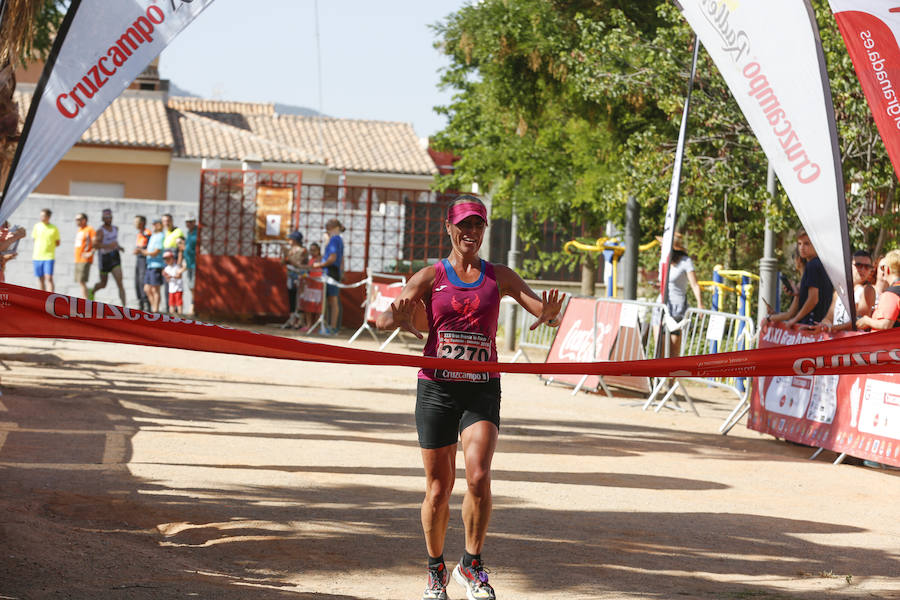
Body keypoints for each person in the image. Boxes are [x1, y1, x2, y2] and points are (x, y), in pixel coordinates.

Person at [375, 194, 564, 600]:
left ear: (484, 230)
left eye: (478, 225)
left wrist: (548, 315)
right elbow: (384, 316)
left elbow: (540, 310)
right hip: (437, 388)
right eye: (464, 225)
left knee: (478, 477)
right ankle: (435, 570)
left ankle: (472, 566)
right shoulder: (432, 275)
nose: (471, 233)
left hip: (480, 388)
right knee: (439, 489)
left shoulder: (500, 276)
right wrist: (401, 316)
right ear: (449, 228)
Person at [769, 230, 833, 327]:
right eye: (799, 244)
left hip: (811, 324)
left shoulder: (812, 265)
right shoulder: (820, 264)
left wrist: (794, 320)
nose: (802, 248)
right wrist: (797, 293)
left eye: (807, 244)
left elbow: (813, 299)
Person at [659, 232, 703, 358]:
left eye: (663, 245)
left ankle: (671, 378)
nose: (661, 248)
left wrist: (700, 303)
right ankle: (657, 377)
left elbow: (695, 285)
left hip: (677, 309)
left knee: (673, 350)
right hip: (662, 306)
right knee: (660, 346)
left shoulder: (685, 262)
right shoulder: (663, 260)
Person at [818, 250, 877, 332]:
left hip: (853, 342)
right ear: (849, 266)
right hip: (836, 339)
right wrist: (822, 325)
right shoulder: (839, 290)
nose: (863, 269)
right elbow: (828, 318)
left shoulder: (867, 290)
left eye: (867, 266)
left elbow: (859, 323)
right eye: (858, 265)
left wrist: (831, 328)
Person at [312, 218, 345, 335]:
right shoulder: (337, 239)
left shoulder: (335, 239)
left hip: (330, 272)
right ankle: (329, 326)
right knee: (330, 300)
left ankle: (332, 327)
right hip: (333, 271)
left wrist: (319, 264)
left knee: (332, 300)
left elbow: (332, 258)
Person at [89, 208, 127, 306]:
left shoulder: (115, 228)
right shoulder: (100, 231)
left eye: (110, 217)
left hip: (114, 257)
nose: (108, 219)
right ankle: (92, 291)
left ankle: (124, 307)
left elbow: (114, 241)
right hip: (104, 258)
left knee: (120, 282)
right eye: (106, 217)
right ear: (103, 218)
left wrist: (119, 247)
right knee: (103, 284)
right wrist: (108, 246)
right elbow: (95, 245)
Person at [857, 249, 900, 330]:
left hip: (889, 341)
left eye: (884, 267)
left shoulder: (891, 293)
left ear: (888, 270)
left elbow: (885, 325)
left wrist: (867, 320)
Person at [280, 230, 308, 329]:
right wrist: (284, 255)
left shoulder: (303, 250)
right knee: (291, 297)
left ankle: (300, 321)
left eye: (291, 239)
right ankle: (292, 320)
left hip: (299, 277)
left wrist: (287, 254)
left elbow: (298, 263)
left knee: (299, 299)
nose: (289, 241)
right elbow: (283, 262)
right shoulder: (290, 250)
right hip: (290, 276)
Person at [31, 208, 60, 292]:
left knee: (49, 278)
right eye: (41, 215)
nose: (41, 217)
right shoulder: (37, 226)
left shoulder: (54, 228)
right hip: (37, 256)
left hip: (49, 257)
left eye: (43, 215)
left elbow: (58, 242)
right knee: (40, 279)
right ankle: (42, 299)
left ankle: (51, 298)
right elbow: (34, 239)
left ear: (48, 216)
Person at [140, 218, 165, 313]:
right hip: (150, 265)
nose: (153, 226)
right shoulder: (154, 235)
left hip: (156, 265)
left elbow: (156, 252)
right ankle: (154, 308)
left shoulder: (160, 236)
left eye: (155, 224)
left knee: (155, 289)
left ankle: (155, 310)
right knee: (147, 289)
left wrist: (143, 252)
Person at [161, 213, 184, 312]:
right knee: (168, 287)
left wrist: (178, 264)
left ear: (172, 221)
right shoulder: (167, 233)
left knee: (176, 290)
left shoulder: (178, 232)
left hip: (174, 264)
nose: (166, 223)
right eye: (164, 221)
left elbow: (181, 248)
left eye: (168, 220)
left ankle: (176, 312)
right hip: (167, 264)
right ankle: (169, 310)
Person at [73, 213, 95, 299]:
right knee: (80, 281)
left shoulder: (89, 229)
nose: (77, 221)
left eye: (78, 219)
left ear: (84, 220)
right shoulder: (80, 230)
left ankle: (87, 301)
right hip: (78, 259)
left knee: (82, 281)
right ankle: (87, 299)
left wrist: (91, 253)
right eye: (76, 219)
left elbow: (95, 242)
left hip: (85, 259)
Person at [133, 216, 152, 311]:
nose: (134, 223)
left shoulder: (147, 233)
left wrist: (140, 250)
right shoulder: (139, 234)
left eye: (136, 222)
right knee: (137, 280)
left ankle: (146, 303)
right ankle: (140, 301)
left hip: (144, 259)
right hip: (139, 258)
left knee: (142, 280)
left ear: (142, 223)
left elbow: (149, 247)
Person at [305, 242, 322, 332]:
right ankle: (309, 325)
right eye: (310, 250)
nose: (312, 252)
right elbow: (308, 269)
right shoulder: (310, 260)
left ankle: (316, 326)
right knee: (308, 306)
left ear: (318, 250)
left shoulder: (321, 259)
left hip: (318, 286)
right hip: (310, 285)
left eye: (314, 250)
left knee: (318, 307)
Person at [162, 250, 186, 315]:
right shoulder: (166, 268)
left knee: (179, 303)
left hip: (178, 288)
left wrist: (171, 276)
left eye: (168, 259)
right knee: (171, 303)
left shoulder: (177, 266)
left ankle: (180, 315)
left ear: (172, 258)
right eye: (165, 259)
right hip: (171, 289)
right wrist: (167, 277)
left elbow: (179, 276)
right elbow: (167, 279)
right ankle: (171, 316)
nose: (167, 260)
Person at [183, 214, 198, 296]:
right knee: (190, 285)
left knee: (193, 286)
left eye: (191, 222)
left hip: (195, 263)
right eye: (187, 222)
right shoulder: (189, 232)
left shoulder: (197, 232)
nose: (188, 224)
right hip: (189, 263)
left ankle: (193, 304)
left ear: (194, 222)